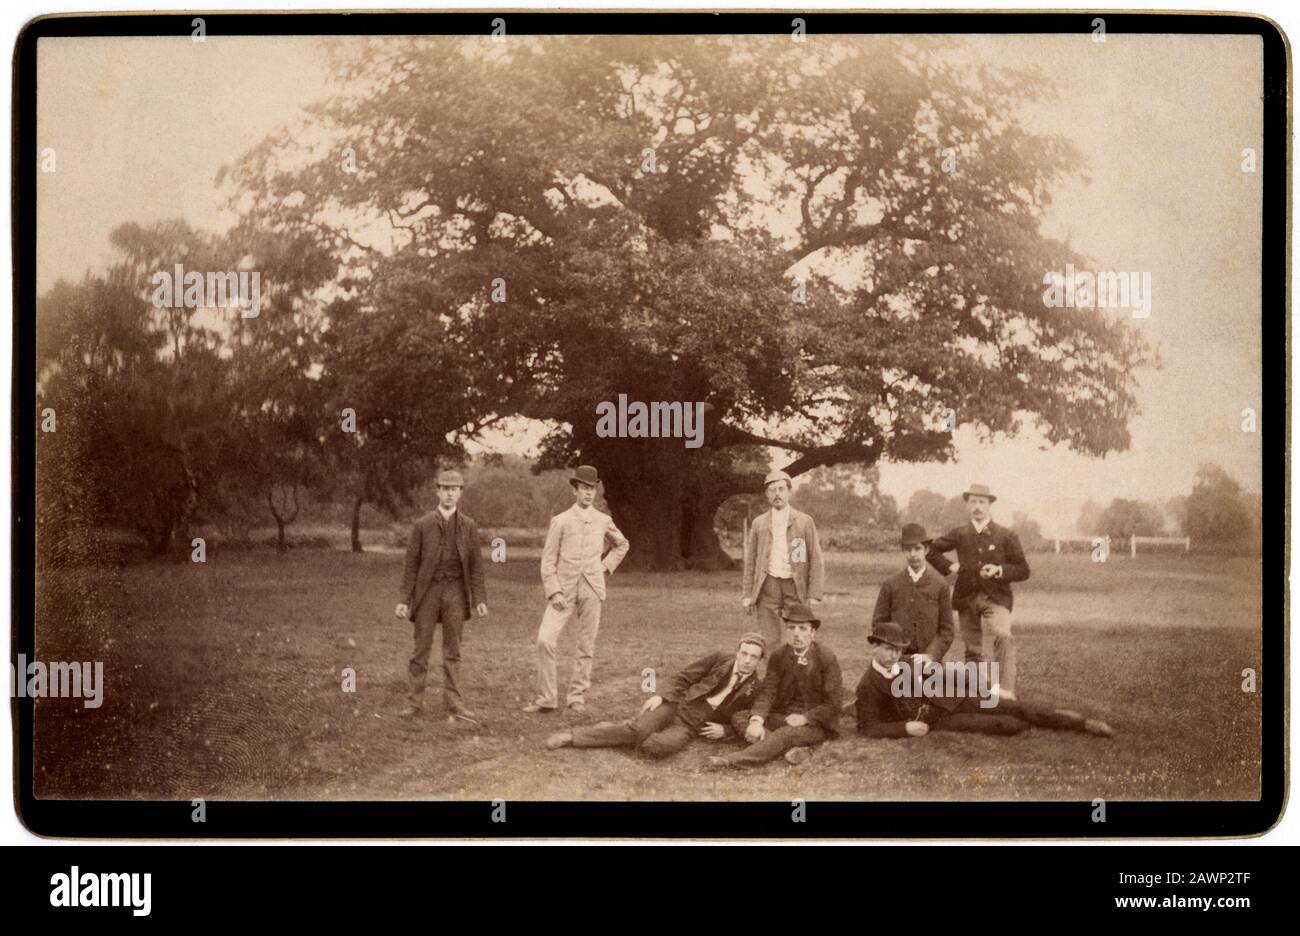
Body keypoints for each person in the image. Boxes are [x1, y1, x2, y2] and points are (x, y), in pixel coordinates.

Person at [854, 621, 1114, 738]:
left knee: (1016, 706)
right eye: (888, 648)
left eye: (898, 649)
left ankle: (1081, 724)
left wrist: (989, 689)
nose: (894, 654)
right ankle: (1035, 724)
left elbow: (948, 675)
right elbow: (869, 727)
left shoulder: (908, 662)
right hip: (942, 719)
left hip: (958, 700)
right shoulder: (868, 685)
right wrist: (906, 728)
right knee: (1009, 725)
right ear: (873, 646)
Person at [544, 633, 767, 758]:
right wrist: (661, 696)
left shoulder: (757, 686)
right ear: (738, 651)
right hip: (675, 706)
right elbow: (683, 677)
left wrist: (725, 730)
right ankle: (573, 737)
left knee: (656, 747)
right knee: (640, 730)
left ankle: (615, 730)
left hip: (691, 726)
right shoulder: (721, 658)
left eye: (753, 657)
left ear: (760, 660)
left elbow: (744, 717)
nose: (747, 660)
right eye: (744, 653)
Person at [524, 465, 630, 715]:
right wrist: (554, 591)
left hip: (592, 588)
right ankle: (547, 698)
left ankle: (577, 696)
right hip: (563, 589)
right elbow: (548, 560)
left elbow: (622, 544)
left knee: (586, 645)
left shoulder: (603, 520)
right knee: (545, 640)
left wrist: (604, 567)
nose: (588, 493)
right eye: (584, 488)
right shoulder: (560, 521)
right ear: (575, 490)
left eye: (592, 489)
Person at [396, 469, 488, 723]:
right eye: (445, 488)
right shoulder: (422, 525)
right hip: (428, 593)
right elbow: (411, 565)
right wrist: (404, 600)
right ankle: (414, 703)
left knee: (453, 650)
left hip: (456, 592)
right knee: (421, 649)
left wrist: (479, 599)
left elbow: (476, 567)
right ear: (437, 491)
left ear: (460, 493)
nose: (449, 493)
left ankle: (454, 703)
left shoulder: (469, 526)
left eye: (454, 489)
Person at [926, 483, 1029, 701]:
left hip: (996, 597)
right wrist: (949, 567)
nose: (977, 506)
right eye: (973, 501)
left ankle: (1006, 691)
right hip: (966, 597)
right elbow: (932, 551)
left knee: (1002, 635)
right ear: (967, 505)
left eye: (982, 502)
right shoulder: (960, 533)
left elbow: (1023, 569)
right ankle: (977, 691)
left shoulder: (1005, 535)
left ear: (990, 505)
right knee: (972, 648)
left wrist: (1000, 570)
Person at [707, 602, 842, 768]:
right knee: (741, 717)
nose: (796, 634)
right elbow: (768, 691)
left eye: (802, 629)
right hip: (783, 716)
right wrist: (757, 720)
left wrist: (805, 718)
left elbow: (834, 703)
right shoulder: (779, 655)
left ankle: (732, 761)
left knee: (784, 734)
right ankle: (788, 750)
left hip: (815, 723)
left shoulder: (826, 657)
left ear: (813, 633)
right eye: (791, 628)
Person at [741, 469, 825, 647]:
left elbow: (815, 559)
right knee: (770, 639)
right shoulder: (759, 523)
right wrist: (747, 594)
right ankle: (772, 675)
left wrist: (814, 593)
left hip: (795, 587)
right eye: (772, 490)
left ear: (789, 492)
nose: (777, 494)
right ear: (767, 494)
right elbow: (751, 562)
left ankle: (799, 673)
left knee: (798, 636)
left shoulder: (803, 522)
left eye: (781, 489)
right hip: (768, 586)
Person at [872, 522, 955, 663]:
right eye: (908, 549)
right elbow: (879, 624)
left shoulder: (940, 584)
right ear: (903, 551)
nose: (913, 554)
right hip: (897, 660)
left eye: (917, 549)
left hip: (929, 662)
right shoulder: (891, 585)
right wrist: (892, 652)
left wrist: (931, 655)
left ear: (927, 550)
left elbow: (946, 629)